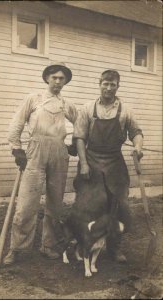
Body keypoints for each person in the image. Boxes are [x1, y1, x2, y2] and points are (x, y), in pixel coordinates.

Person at [3, 62, 77, 265]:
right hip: (35, 150)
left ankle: (49, 245)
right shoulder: (33, 99)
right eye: (54, 77)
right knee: (27, 203)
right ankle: (17, 249)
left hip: (59, 153)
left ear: (65, 82)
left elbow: (81, 124)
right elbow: (17, 123)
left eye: (62, 79)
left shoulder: (66, 104)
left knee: (55, 203)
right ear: (47, 79)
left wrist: (74, 144)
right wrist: (16, 148)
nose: (58, 81)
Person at [73, 69, 143, 263]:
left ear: (118, 86)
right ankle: (81, 244)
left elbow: (136, 131)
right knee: (86, 204)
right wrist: (84, 164)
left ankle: (114, 247)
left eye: (113, 84)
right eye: (106, 83)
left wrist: (138, 147)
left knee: (119, 205)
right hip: (91, 160)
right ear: (99, 83)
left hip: (115, 163)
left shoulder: (125, 111)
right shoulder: (87, 108)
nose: (109, 88)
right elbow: (79, 137)